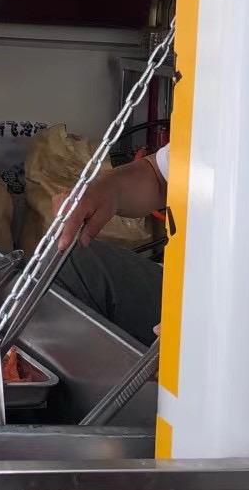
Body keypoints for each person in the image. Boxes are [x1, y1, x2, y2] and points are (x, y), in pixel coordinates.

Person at [54, 145, 168, 345]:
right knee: (69, 260)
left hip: (233, 319)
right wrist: (106, 190)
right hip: (188, 287)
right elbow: (159, 177)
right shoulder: (219, 125)